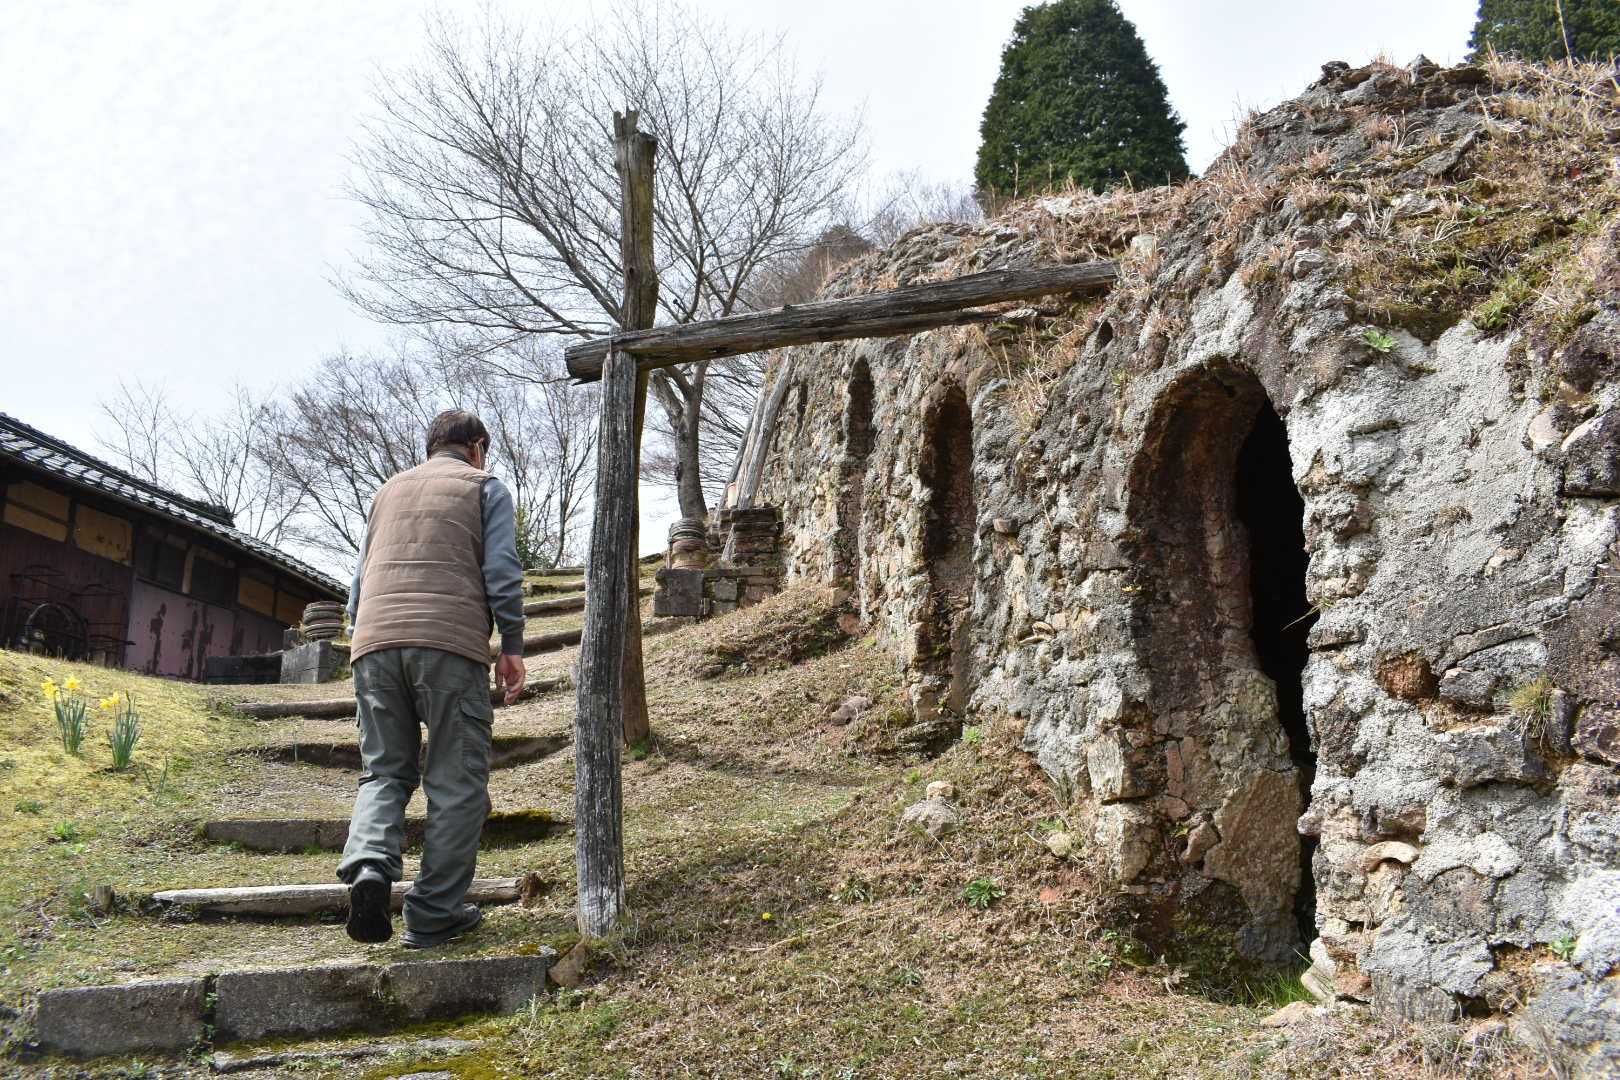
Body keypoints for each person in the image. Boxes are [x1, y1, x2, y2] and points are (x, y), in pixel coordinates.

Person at [338, 409, 527, 947]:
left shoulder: (386, 492)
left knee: (383, 773)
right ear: (477, 446)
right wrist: (511, 645)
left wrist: (361, 637)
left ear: (431, 447)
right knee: (456, 782)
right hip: (449, 645)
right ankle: (433, 914)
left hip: (373, 644)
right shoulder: (484, 487)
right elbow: (501, 573)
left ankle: (370, 868)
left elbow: (358, 583)